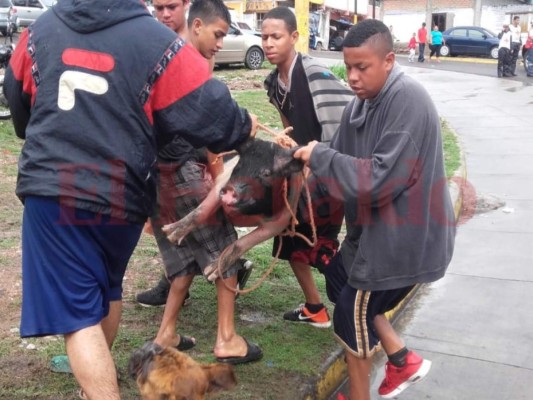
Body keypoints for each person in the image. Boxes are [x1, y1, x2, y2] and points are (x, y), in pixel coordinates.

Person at [3, 0, 257, 399]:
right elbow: (213, 115)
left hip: (56, 191)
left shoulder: (38, 33)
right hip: (122, 195)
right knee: (106, 290)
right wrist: (244, 127)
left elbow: (18, 107)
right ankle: (94, 390)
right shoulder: (160, 43)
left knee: (78, 316)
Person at [293, 19, 456, 400]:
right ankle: (401, 359)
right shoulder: (361, 105)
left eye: (361, 67)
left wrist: (321, 156)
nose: (352, 77)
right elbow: (337, 157)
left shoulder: (407, 100)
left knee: (351, 312)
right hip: (372, 234)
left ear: (388, 60)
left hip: (403, 240)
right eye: (347, 66)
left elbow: (378, 180)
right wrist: (303, 160)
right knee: (337, 280)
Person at [147, 0, 262, 365]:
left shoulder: (160, 54)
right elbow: (212, 131)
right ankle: (226, 338)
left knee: (183, 263)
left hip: (156, 177)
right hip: (183, 172)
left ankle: (166, 334)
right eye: (218, 34)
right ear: (196, 25)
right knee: (226, 253)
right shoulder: (187, 62)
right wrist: (243, 130)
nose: (219, 43)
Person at [261, 7, 353, 328]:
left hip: (330, 174)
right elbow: (291, 135)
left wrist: (319, 162)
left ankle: (358, 312)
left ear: (295, 37)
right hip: (305, 175)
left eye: (277, 36)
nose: (269, 43)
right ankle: (315, 308)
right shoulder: (273, 82)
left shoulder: (313, 72)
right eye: (265, 37)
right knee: (290, 242)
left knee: (320, 248)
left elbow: (346, 123)